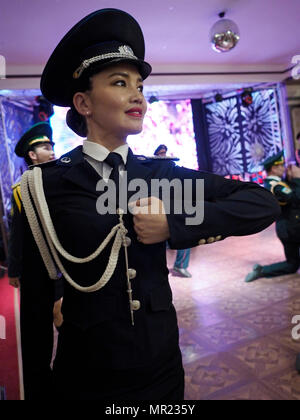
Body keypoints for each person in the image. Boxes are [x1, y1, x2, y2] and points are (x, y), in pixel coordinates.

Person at [19, 8, 279, 400]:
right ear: (84, 103)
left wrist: (173, 224)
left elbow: (261, 203)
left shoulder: (161, 177)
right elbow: (35, 308)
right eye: (120, 83)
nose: (136, 94)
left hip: (158, 368)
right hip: (84, 373)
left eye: (139, 84)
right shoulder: (45, 186)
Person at [8, 122, 63, 400]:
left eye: (51, 145)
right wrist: (15, 268)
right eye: (45, 147)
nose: (51, 151)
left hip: (65, 266)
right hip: (36, 270)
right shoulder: (21, 189)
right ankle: (40, 386)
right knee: (36, 334)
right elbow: (18, 232)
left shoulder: (61, 180)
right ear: (32, 155)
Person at [245, 151, 300, 282]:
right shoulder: (276, 186)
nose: (284, 168)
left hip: (287, 228)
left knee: (292, 264)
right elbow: (296, 198)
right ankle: (262, 271)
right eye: (281, 166)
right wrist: (298, 178)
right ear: (274, 169)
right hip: (292, 229)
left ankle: (262, 270)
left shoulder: (274, 184)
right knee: (292, 263)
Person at [154, 145, 192, 277]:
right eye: (160, 153)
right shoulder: (152, 172)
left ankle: (180, 266)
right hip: (157, 214)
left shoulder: (172, 171)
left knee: (185, 238)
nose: (163, 156)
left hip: (172, 212)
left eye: (165, 153)